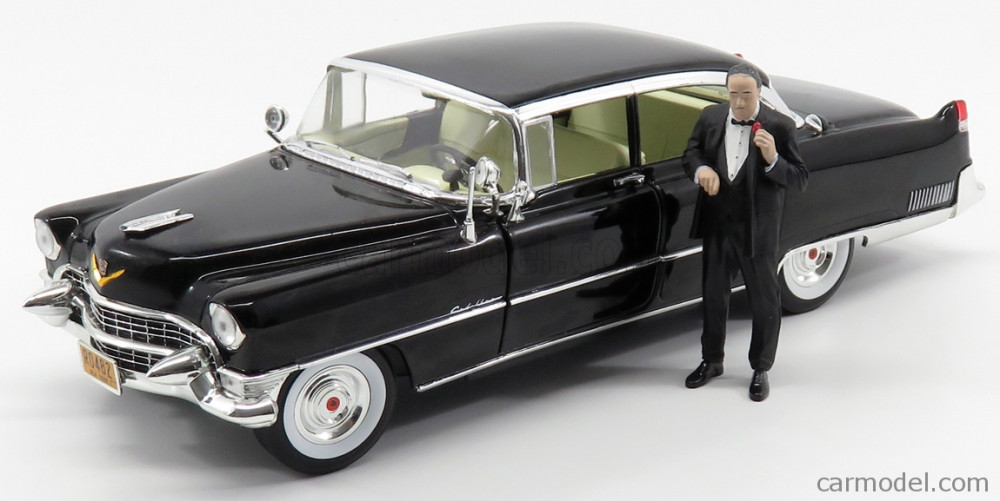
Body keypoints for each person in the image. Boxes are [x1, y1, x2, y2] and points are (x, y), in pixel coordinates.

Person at [681, 62, 808, 401]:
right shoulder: (710, 117)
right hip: (717, 225)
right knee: (713, 296)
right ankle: (712, 360)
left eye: (746, 95)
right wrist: (702, 169)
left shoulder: (780, 125)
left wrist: (772, 158)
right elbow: (691, 153)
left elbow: (799, 178)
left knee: (764, 300)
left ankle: (761, 367)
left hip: (757, 229)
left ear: (759, 93)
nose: (739, 102)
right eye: (733, 94)